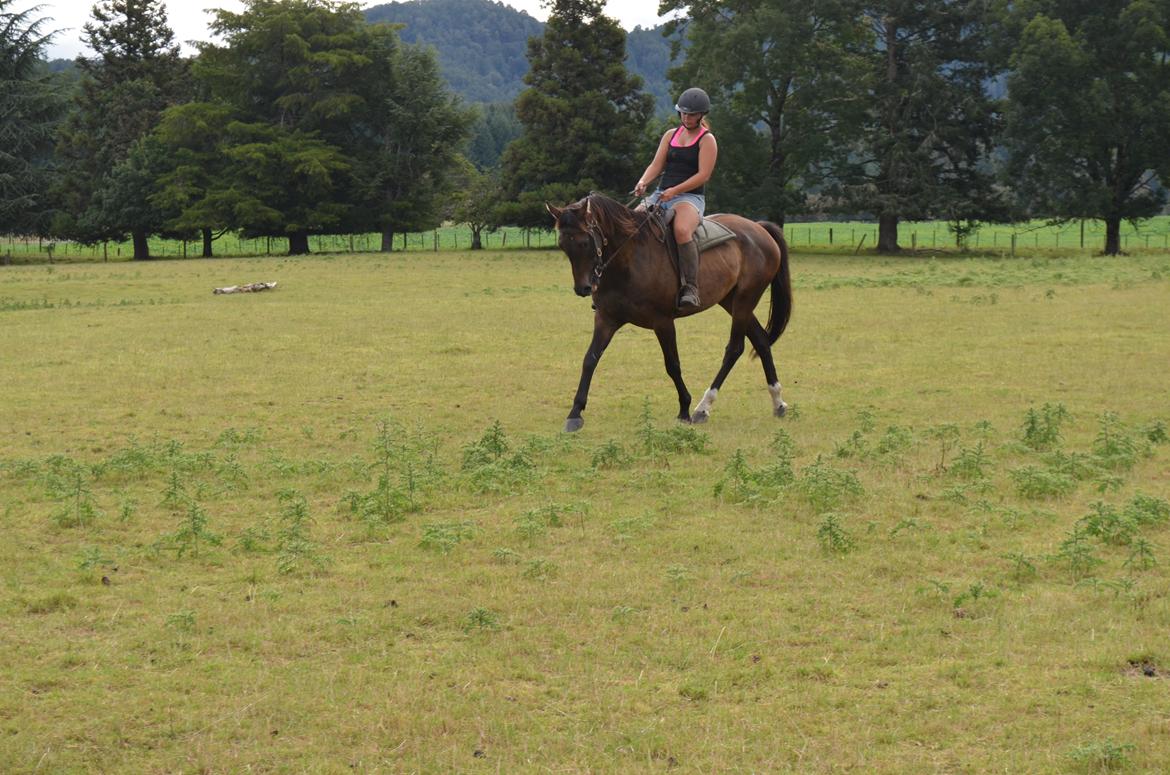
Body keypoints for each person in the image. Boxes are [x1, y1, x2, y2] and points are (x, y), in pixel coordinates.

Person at [633, 87, 718, 310]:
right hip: (661, 194)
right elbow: (656, 165)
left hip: (690, 198)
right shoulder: (670, 135)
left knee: (681, 230)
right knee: (632, 223)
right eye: (683, 113)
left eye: (691, 114)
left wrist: (675, 190)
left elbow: (703, 175)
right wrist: (643, 182)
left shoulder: (707, 140)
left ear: (701, 115)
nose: (687, 118)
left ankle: (690, 287)